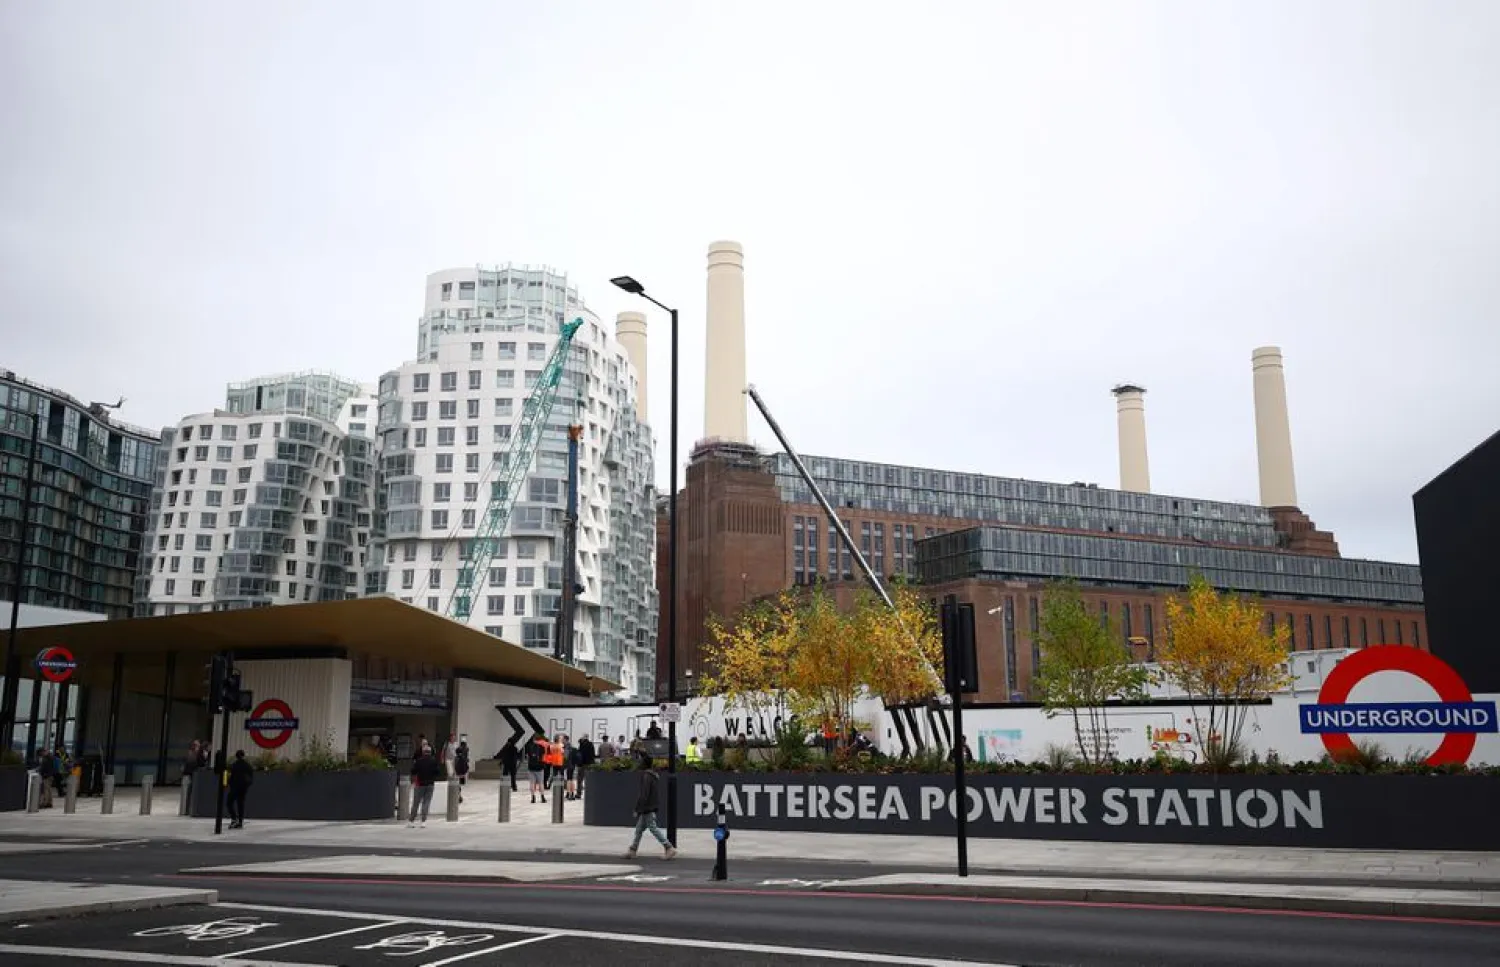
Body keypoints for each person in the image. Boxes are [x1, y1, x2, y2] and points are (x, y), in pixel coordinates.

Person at [624, 750, 677, 860]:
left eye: (641, 761)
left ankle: (669, 847)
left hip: (647, 807)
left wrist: (637, 809)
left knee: (653, 828)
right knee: (639, 829)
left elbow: (644, 795)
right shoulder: (652, 775)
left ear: (644, 763)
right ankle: (633, 849)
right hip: (649, 806)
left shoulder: (647, 776)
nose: (639, 763)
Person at [408, 743, 440, 827]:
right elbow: (437, 772)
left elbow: (413, 771)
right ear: (430, 752)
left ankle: (411, 821)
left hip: (420, 784)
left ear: (423, 752)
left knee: (416, 803)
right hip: (430, 784)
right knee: (426, 802)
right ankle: (423, 821)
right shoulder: (434, 761)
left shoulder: (419, 761)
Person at [226, 750, 254, 829]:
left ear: (236, 756)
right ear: (243, 756)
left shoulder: (234, 765)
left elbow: (230, 777)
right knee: (240, 804)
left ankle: (234, 818)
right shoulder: (247, 765)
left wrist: (229, 784)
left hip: (235, 787)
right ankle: (240, 822)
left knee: (229, 802)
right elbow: (251, 777)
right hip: (243, 788)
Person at [524, 733, 548, 804]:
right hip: (540, 767)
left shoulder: (529, 746)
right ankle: (542, 797)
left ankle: (533, 797)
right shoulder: (541, 746)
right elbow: (544, 756)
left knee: (532, 783)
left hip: (531, 767)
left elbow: (527, 756)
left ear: (533, 739)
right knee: (541, 783)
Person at [453, 739, 470, 804]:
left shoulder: (456, 758)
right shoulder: (463, 756)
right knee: (459, 785)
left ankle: (458, 797)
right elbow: (467, 767)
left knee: (457, 786)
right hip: (462, 774)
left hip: (456, 774)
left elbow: (454, 766)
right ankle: (459, 796)